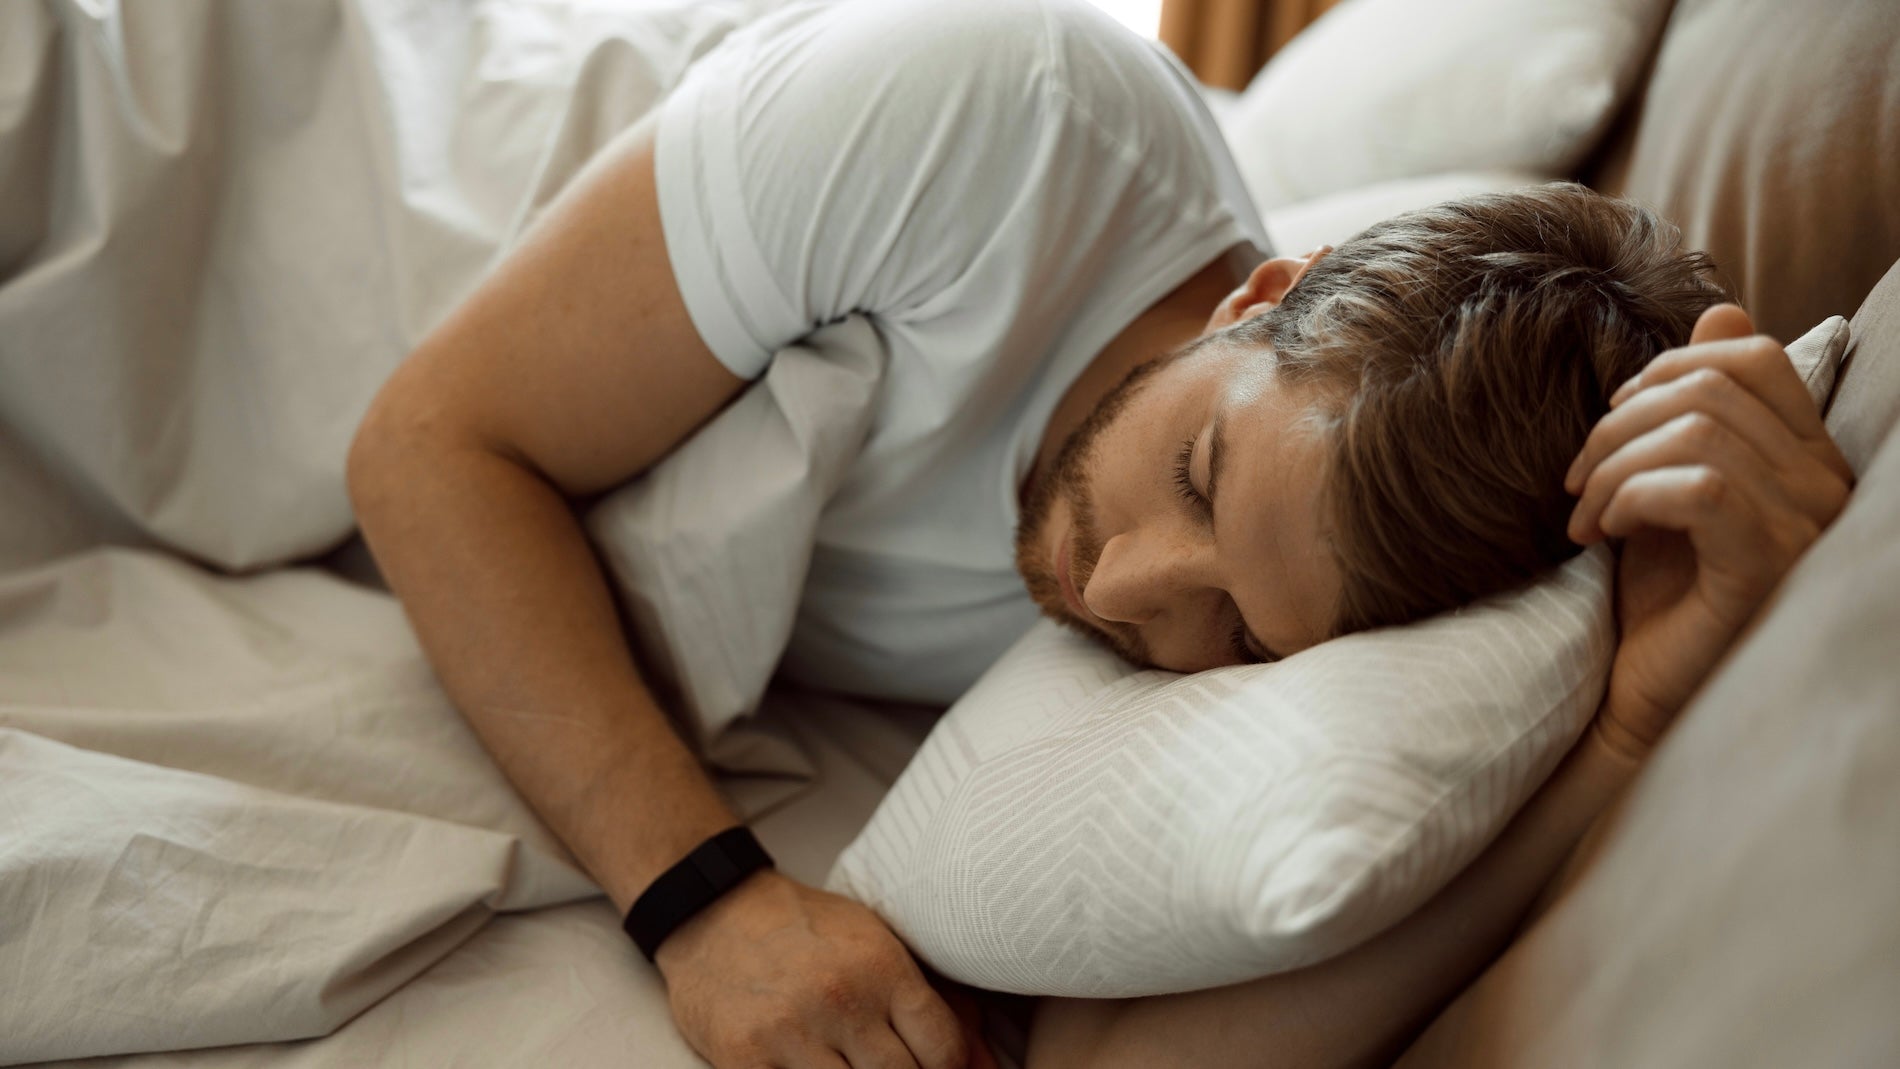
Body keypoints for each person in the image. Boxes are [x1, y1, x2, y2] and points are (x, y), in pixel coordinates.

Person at [346, 1, 1853, 1066]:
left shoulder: (1295, 596)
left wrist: (1628, 734)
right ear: (1263, 296)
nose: (1118, 588)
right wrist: (703, 901)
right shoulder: (993, 118)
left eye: (1247, 636)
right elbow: (428, 446)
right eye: (1196, 474)